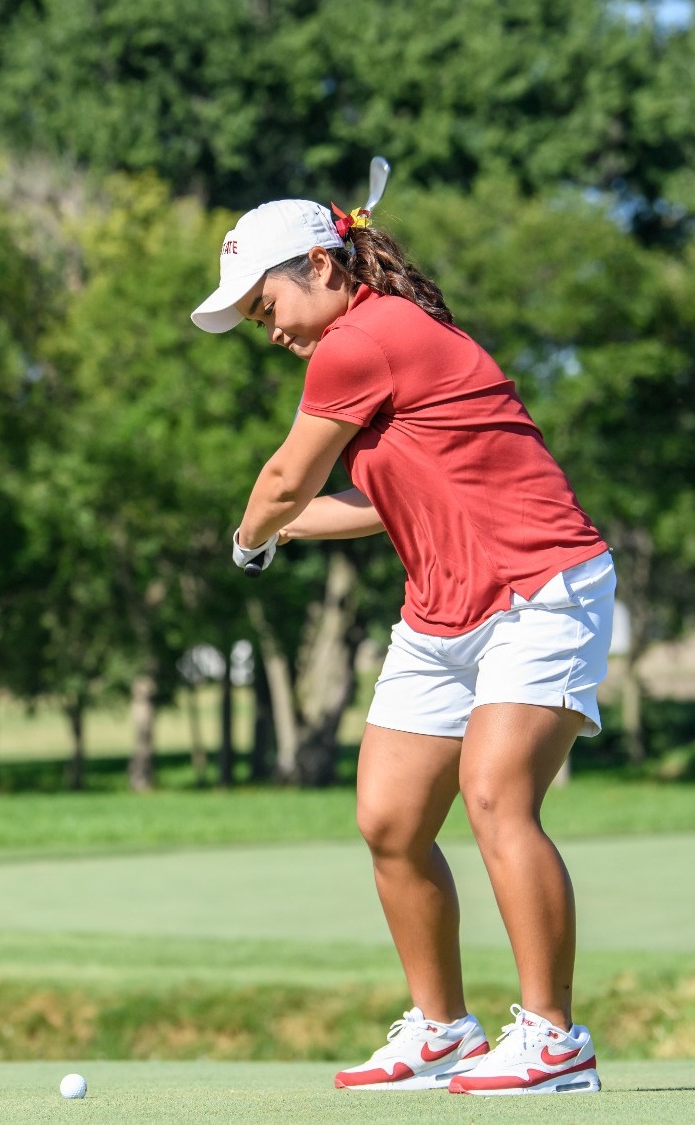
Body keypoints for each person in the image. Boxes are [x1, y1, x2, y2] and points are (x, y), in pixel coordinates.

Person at [192, 186, 613, 1096]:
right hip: (444, 610)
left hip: (542, 586)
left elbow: (282, 477)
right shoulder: (376, 341)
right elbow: (382, 498)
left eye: (267, 305)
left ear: (319, 265)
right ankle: (442, 1029)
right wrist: (286, 526)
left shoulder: (363, 338)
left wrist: (252, 533)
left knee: (497, 794)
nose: (270, 331)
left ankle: (553, 1038)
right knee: (390, 821)